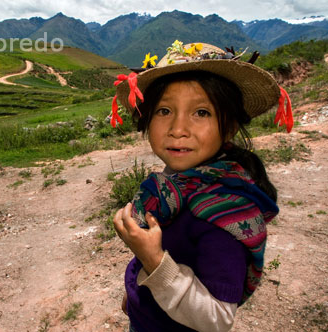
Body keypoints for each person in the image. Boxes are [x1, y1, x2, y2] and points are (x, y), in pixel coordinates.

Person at [111, 41, 293, 332]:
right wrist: (134, 297)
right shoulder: (173, 188)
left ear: (230, 127)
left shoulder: (221, 216)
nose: (178, 128)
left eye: (202, 113)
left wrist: (154, 261)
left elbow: (218, 319)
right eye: (164, 110)